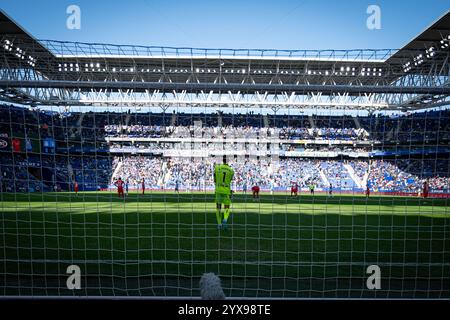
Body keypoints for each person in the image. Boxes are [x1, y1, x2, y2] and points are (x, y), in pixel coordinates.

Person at [214, 155, 235, 230]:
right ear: (228, 161)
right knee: (227, 206)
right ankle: (225, 219)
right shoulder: (231, 170)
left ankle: (219, 224)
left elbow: (215, 179)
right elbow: (229, 181)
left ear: (222, 160)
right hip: (226, 190)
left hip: (218, 189)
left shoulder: (217, 168)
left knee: (218, 207)